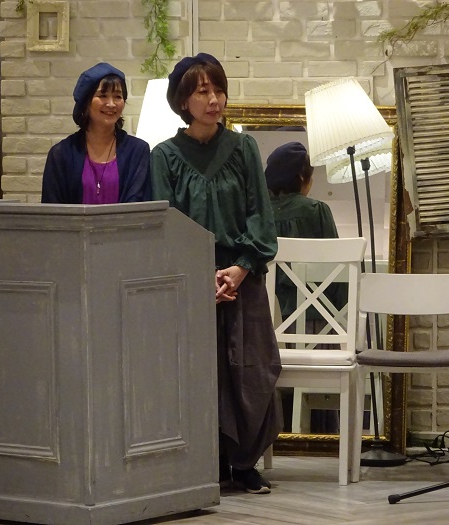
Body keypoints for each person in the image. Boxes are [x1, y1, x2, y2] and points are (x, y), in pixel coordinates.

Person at [149, 53, 281, 494]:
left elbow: (260, 216)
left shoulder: (243, 148)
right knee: (197, 372)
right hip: (191, 283)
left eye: (218, 89)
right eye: (202, 91)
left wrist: (240, 269)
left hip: (243, 276)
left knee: (251, 369)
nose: (214, 99)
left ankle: (244, 463)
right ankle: (206, 462)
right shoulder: (164, 156)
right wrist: (200, 276)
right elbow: (166, 225)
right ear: (182, 100)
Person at [265, 141, 346, 433]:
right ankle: (323, 436)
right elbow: (338, 274)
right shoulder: (317, 211)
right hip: (317, 321)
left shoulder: (259, 213)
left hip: (271, 323)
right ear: (302, 177)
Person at [41, 62, 151, 204]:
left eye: (118, 96)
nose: (111, 104)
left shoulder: (138, 151)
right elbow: (52, 210)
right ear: (86, 102)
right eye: (103, 95)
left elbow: (139, 207)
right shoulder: (61, 154)